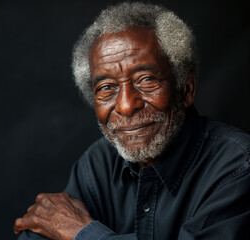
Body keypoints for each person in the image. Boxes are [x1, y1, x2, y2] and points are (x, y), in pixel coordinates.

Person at [13, 2, 250, 239]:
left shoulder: (238, 167)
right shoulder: (98, 164)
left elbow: (67, 229)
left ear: (186, 89)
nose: (126, 106)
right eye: (107, 87)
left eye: (146, 80)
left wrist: (81, 232)